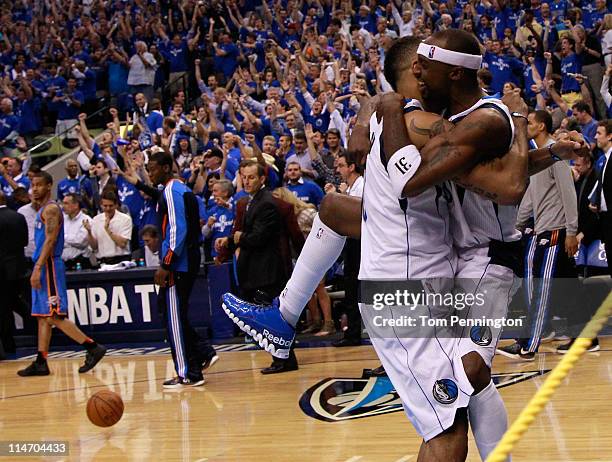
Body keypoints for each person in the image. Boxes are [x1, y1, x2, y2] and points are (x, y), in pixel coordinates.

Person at [221, 33, 585, 460]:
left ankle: (282, 317)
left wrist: (526, 141)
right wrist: (372, 110)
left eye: (423, 67)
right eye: (414, 70)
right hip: (422, 275)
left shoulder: (450, 119)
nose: (418, 75)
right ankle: (282, 316)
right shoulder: (413, 116)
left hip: (473, 261)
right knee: (455, 403)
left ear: (444, 73)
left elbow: (504, 183)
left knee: (467, 384)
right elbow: (390, 111)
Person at [499, 110, 582, 360]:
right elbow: (530, 196)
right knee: (531, 288)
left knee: (542, 289)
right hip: (538, 230)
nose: (528, 126)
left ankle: (529, 346)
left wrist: (571, 231)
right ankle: (527, 337)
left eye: (532, 123)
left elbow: (569, 194)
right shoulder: (537, 155)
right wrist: (518, 224)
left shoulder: (557, 154)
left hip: (556, 232)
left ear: (542, 126)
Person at [17, 171, 106, 377]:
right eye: (32, 185)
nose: (35, 189)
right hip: (43, 264)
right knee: (42, 316)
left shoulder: (51, 210)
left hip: (48, 265)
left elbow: (50, 240)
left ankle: (92, 347)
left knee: (55, 315)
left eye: (39, 185)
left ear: (49, 186)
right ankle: (41, 360)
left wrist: (38, 267)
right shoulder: (44, 210)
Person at [147, 151, 217, 389]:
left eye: (153, 168)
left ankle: (188, 372)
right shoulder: (180, 189)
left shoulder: (172, 190)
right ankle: (202, 352)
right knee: (167, 312)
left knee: (173, 317)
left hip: (179, 262)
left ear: (167, 167)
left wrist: (166, 263)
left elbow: (178, 229)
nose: (150, 172)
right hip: (185, 258)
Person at [0, 191, 28, 354]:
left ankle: (8, 346)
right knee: (14, 303)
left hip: (1, 271)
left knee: (4, 309)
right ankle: (39, 326)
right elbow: (24, 241)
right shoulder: (18, 216)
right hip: (18, 270)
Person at [84, 189, 133, 265]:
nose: (108, 209)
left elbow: (122, 244)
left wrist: (108, 230)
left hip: (120, 260)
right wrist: (89, 232)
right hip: (103, 262)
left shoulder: (125, 219)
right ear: (101, 205)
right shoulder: (96, 220)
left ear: (116, 205)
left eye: (110, 206)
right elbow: (94, 247)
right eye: (105, 206)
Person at [589, 119, 612, 278]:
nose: (595, 137)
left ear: (610, 136)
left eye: (599, 133)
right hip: (605, 219)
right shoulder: (603, 159)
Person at [61, 193, 92, 270]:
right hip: (63, 263)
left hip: (80, 262)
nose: (63, 206)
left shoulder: (86, 220)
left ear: (76, 205)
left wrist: (63, 238)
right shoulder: (62, 220)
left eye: (66, 203)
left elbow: (80, 242)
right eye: (63, 203)